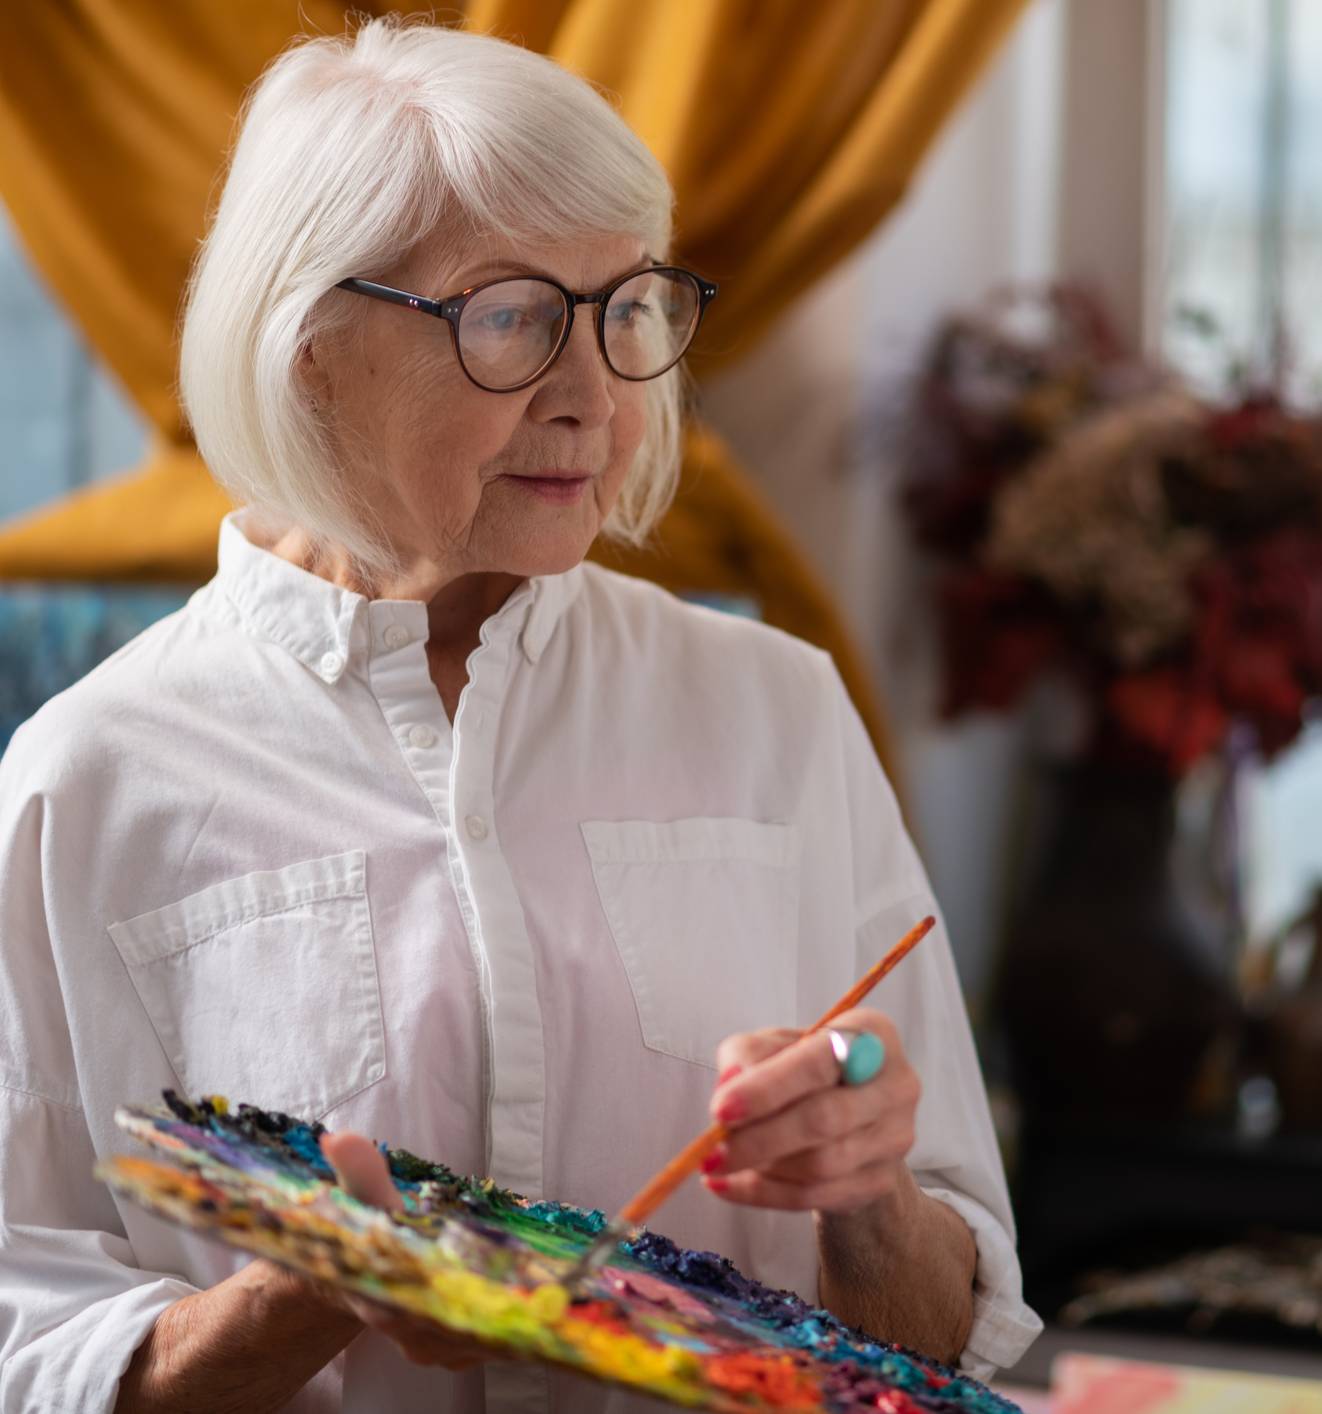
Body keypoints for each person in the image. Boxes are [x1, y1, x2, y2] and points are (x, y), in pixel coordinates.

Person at [0, 18, 1040, 1413]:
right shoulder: (91, 777)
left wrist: (866, 1199)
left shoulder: (776, 711)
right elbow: (25, 1349)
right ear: (308, 346)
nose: (593, 398)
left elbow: (944, 1342)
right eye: (508, 317)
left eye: (625, 311)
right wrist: (299, 1290)